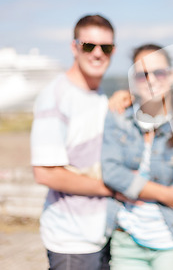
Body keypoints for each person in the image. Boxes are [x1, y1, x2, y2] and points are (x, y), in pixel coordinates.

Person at [101, 44, 173, 270]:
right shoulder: (119, 116)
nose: (150, 80)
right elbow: (110, 171)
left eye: (158, 72)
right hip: (126, 239)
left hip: (169, 241)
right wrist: (164, 193)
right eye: (141, 74)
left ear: (171, 75)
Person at [31, 14, 116, 269]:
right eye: (89, 45)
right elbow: (46, 173)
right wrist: (112, 188)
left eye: (106, 47)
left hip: (99, 236)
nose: (97, 53)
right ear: (74, 47)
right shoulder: (56, 96)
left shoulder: (99, 97)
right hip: (71, 243)